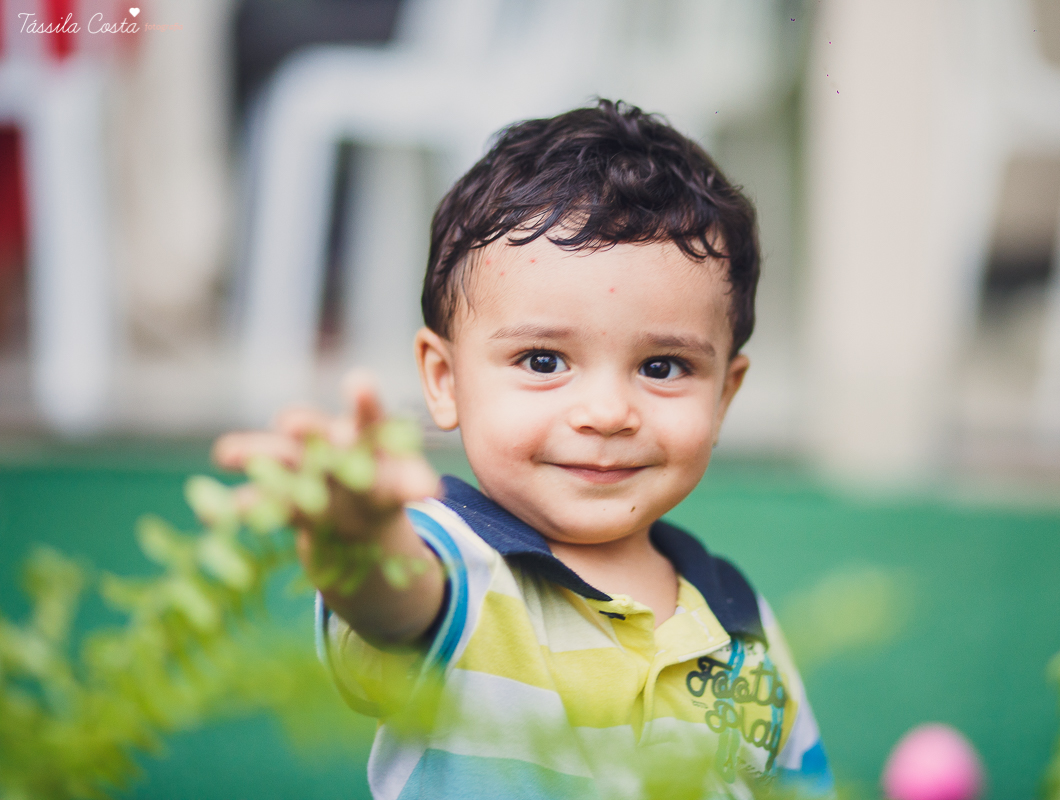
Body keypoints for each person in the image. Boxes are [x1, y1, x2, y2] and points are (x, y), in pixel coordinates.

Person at [214, 99, 832, 799]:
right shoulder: (456, 568)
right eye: (543, 361)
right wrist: (360, 542)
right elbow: (395, 604)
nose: (607, 414)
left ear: (723, 394)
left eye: (662, 367)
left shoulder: (742, 621)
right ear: (444, 380)